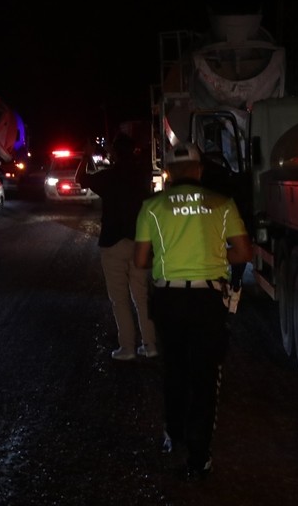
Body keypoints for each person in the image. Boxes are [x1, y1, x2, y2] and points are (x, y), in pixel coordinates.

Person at [134, 142, 254, 482]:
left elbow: (141, 260)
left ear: (169, 172)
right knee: (204, 375)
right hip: (207, 300)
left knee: (174, 369)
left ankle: (174, 434)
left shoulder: (152, 206)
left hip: (168, 299)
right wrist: (214, 258)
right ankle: (199, 456)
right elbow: (243, 252)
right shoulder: (222, 204)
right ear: (200, 170)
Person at [75, 133, 157, 362]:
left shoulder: (107, 177)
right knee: (142, 296)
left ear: (114, 153)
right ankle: (150, 345)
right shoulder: (142, 175)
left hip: (112, 242)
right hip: (139, 241)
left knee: (119, 299)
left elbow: (80, 178)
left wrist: (86, 155)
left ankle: (127, 348)